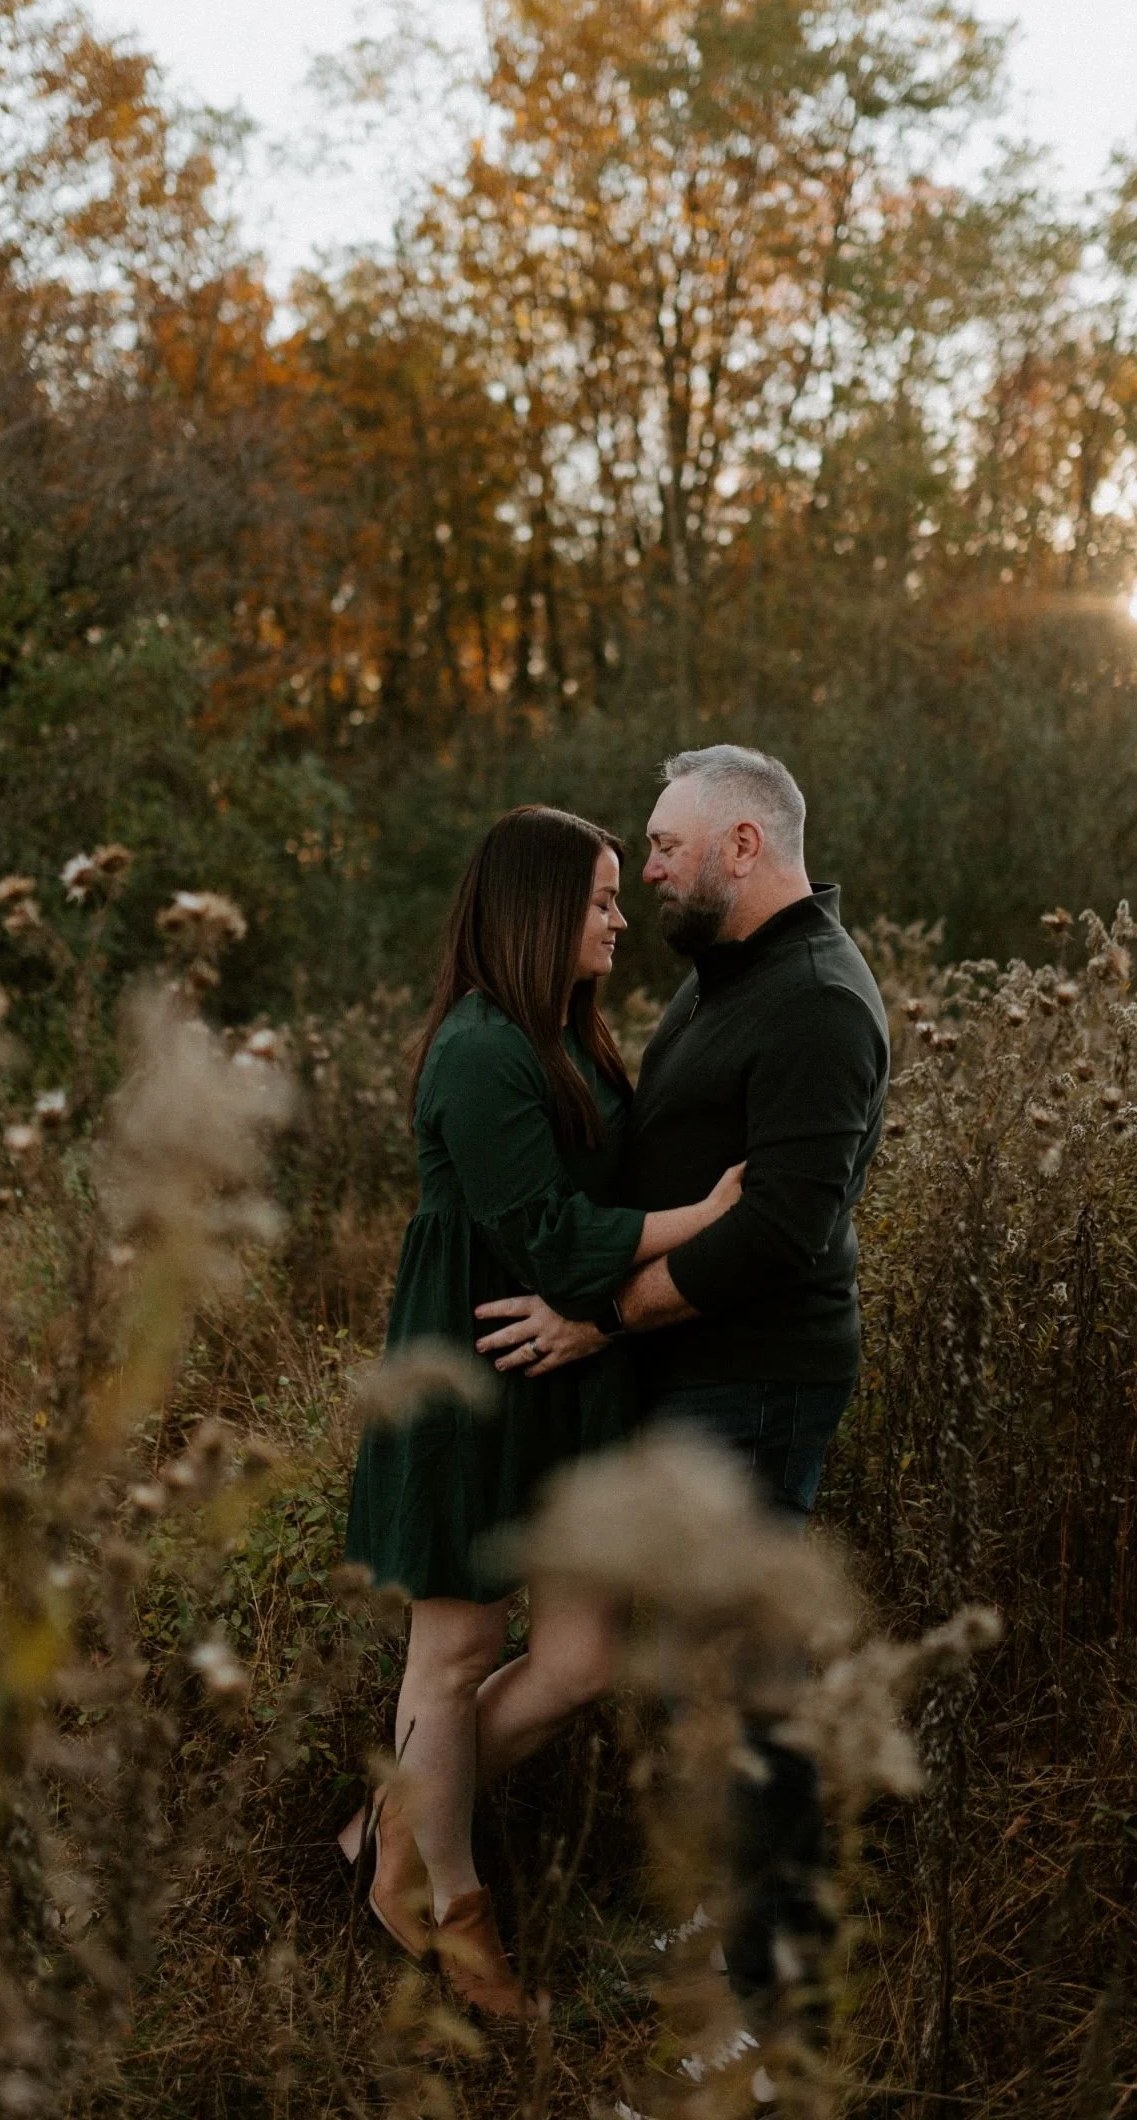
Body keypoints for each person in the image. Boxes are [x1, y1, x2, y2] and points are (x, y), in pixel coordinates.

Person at [475, 745, 890, 2019]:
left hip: (753, 1386)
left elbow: (780, 1235)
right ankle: (721, 1948)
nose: (645, 864)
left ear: (744, 848)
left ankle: (768, 2014)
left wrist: (604, 1316)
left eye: (664, 844)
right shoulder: (723, 979)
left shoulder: (817, 999)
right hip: (691, 1379)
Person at [341, 803, 745, 2019]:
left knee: (577, 1661)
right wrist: (712, 1216)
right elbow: (559, 1243)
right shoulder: (477, 1050)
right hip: (473, 1378)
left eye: (623, 895)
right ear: (537, 911)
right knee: (454, 1651)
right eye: (602, 900)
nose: (622, 919)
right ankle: (445, 1907)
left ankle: (386, 1828)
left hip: (565, 1382)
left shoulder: (565, 1036)